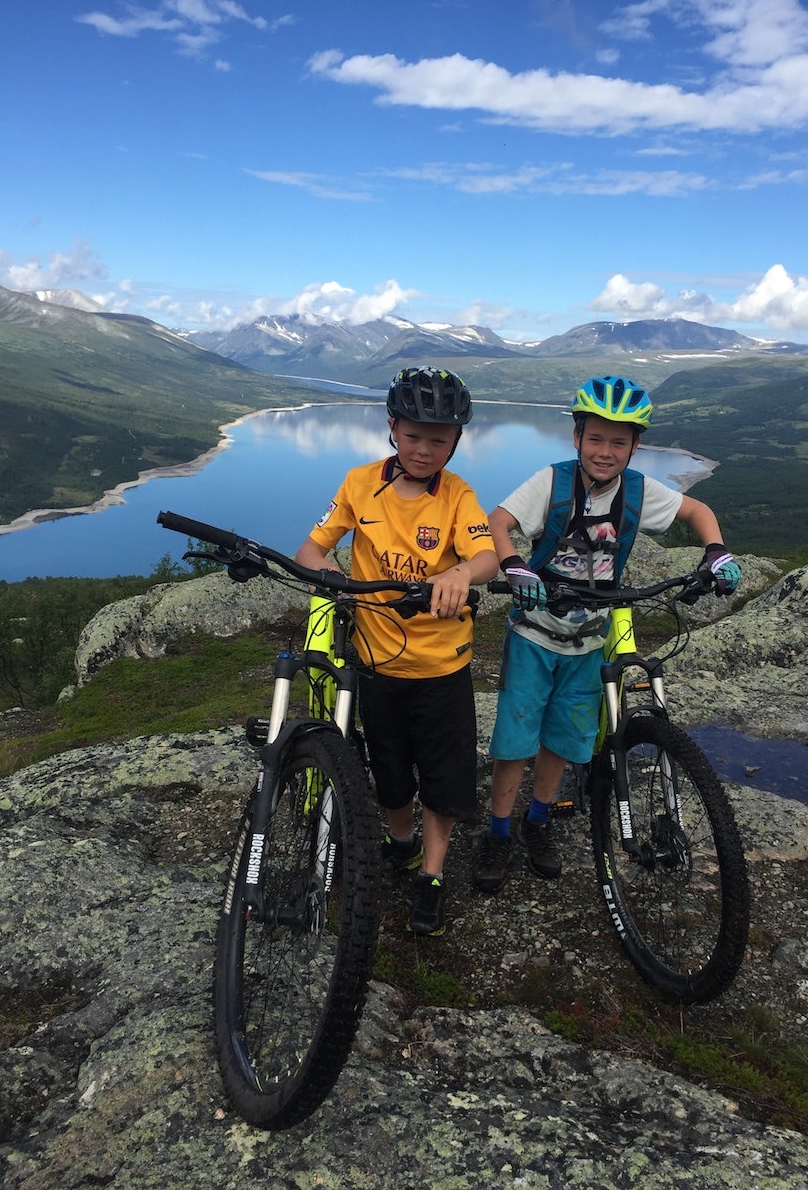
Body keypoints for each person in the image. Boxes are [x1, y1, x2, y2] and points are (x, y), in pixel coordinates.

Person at [472, 374, 741, 893]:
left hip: (590, 637)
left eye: (619, 442)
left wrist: (715, 550)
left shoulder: (638, 491)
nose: (605, 451)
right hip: (534, 631)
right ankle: (499, 832)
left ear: (635, 446)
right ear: (577, 438)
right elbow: (498, 520)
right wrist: (514, 566)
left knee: (563, 737)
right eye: (595, 439)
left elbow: (696, 510)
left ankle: (538, 822)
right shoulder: (552, 482)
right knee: (515, 737)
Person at [296, 367, 498, 936]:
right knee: (388, 770)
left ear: (456, 441)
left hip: (442, 667)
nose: (425, 450)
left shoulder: (458, 495)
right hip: (377, 663)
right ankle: (402, 841)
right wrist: (326, 577)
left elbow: (485, 557)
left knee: (442, 775)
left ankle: (432, 873)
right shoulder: (360, 484)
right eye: (413, 436)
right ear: (392, 428)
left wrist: (460, 574)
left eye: (440, 439)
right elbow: (312, 549)